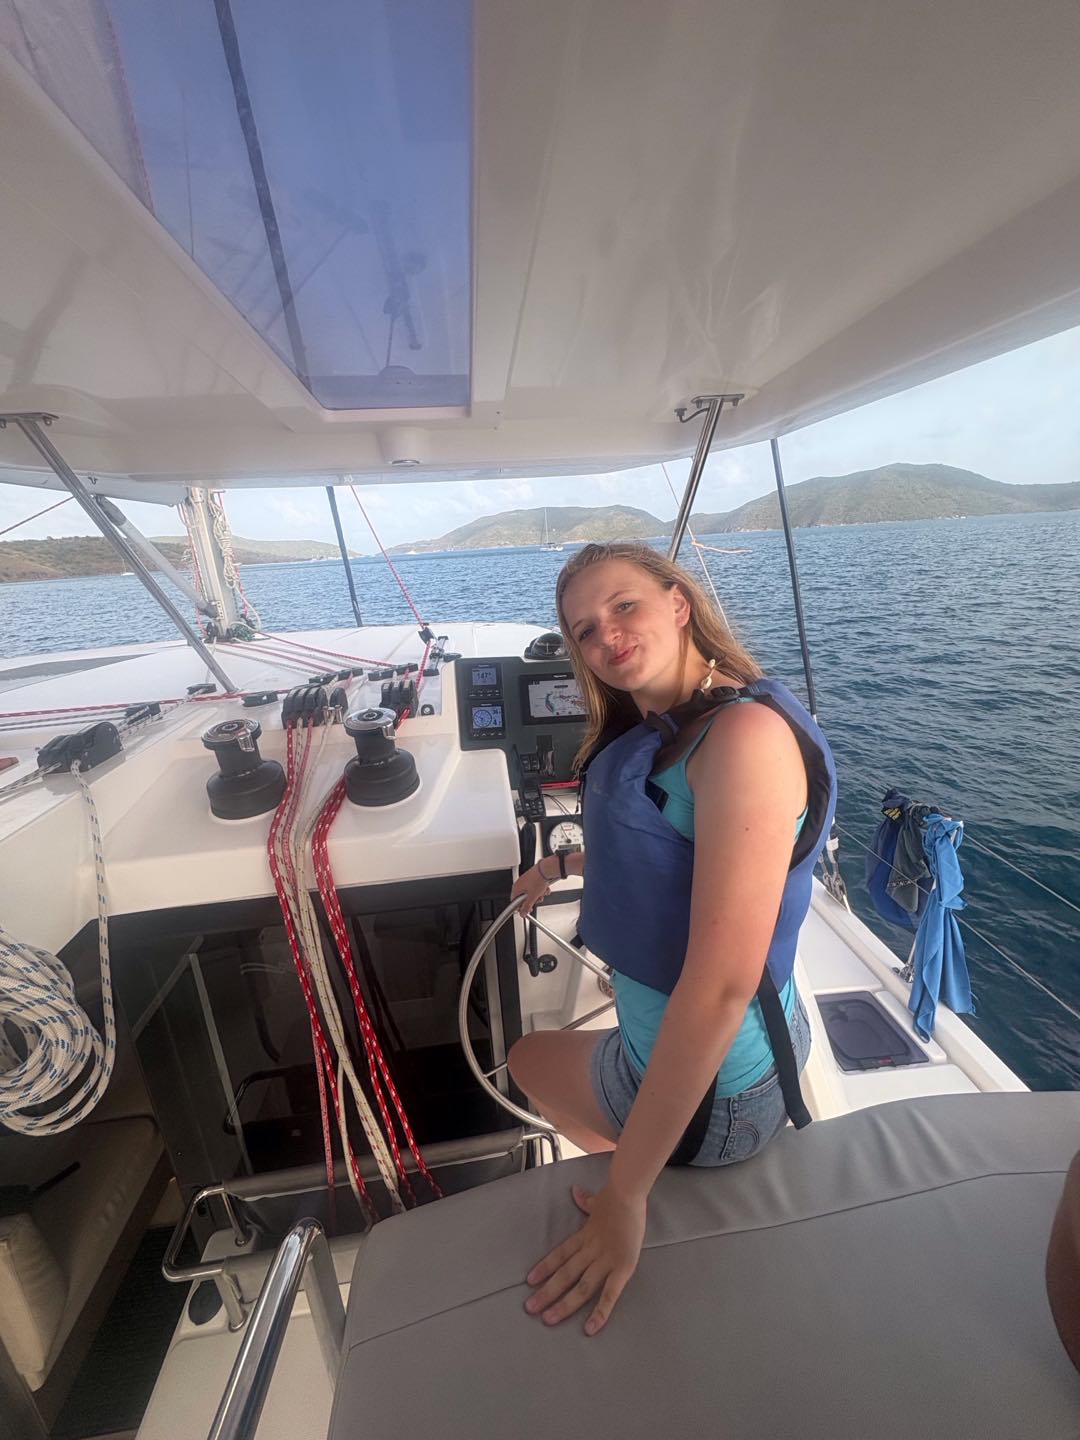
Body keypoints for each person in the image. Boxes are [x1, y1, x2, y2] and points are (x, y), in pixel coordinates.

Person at [507, 541, 836, 1337]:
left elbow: (720, 988)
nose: (607, 635)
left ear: (679, 603)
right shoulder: (686, 725)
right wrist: (560, 864)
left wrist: (624, 1195)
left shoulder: (744, 740)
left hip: (721, 1096)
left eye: (624, 606)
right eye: (586, 630)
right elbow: (666, 847)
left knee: (526, 1059)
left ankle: (645, 1169)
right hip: (766, 1045)